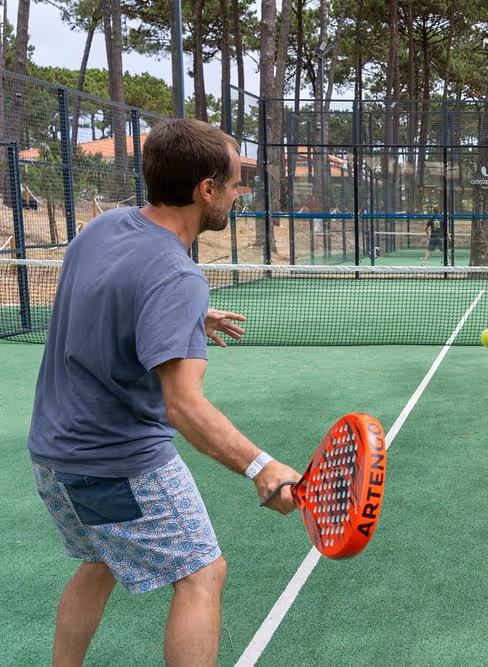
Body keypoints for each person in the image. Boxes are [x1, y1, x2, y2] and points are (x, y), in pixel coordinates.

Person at [27, 118, 301, 667]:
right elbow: (184, 406)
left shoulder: (102, 228)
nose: (238, 192)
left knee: (100, 561)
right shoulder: (178, 276)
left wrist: (186, 317)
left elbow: (110, 290)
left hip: (51, 451)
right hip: (114, 460)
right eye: (233, 182)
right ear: (206, 190)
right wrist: (262, 467)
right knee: (202, 574)